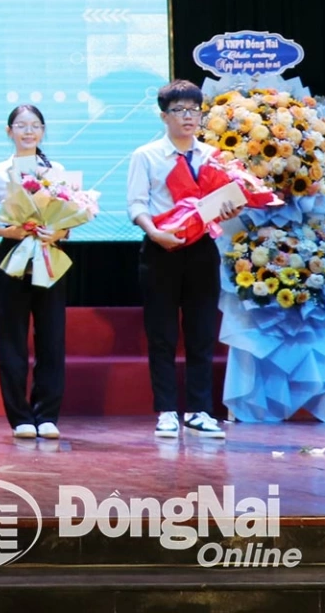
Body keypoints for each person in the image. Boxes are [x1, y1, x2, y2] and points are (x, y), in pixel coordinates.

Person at [126, 80, 234, 439]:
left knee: (201, 332)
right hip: (161, 249)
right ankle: (167, 411)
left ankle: (200, 410)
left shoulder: (212, 156)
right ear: (164, 116)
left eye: (194, 110)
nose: (188, 117)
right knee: (162, 334)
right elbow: (136, 204)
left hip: (202, 250)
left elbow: (222, 202)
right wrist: (154, 233)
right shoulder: (146, 155)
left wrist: (229, 207)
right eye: (179, 110)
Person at [0, 105, 68, 440]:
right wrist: (8, 231)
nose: (28, 132)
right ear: (9, 131)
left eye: (35, 125)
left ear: (43, 131)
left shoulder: (55, 170)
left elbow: (69, 216)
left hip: (49, 253)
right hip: (13, 255)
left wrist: (58, 232)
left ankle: (47, 415)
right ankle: (20, 417)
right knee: (12, 339)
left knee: (52, 338)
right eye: (21, 126)